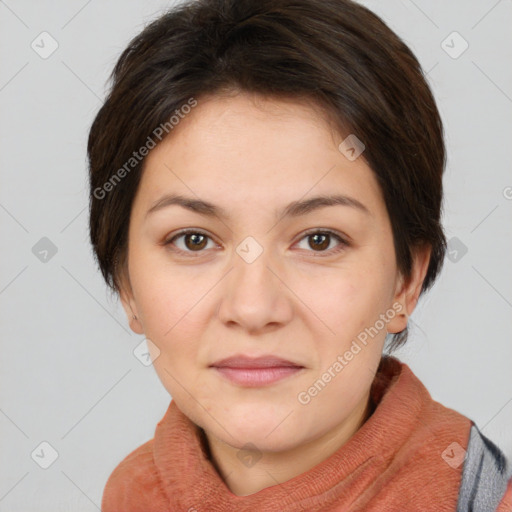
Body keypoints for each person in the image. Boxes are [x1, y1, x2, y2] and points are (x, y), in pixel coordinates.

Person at [87, 0, 512, 510]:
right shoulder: (131, 493)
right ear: (127, 285)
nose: (253, 308)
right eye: (194, 240)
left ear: (406, 280)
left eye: (319, 240)